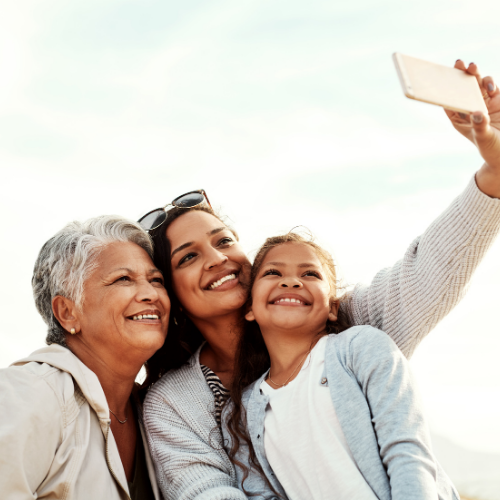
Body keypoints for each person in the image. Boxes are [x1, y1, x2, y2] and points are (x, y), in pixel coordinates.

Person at [142, 60, 500, 500]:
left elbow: (429, 271)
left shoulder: (340, 327)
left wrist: (494, 173)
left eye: (224, 240)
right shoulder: (173, 404)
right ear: (171, 294)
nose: (217, 259)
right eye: (189, 257)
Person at [222, 232, 459, 500]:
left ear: (333, 307)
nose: (291, 281)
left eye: (310, 274)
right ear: (249, 307)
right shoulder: (241, 411)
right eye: (273, 272)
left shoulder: (361, 347)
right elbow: (260, 493)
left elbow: (407, 450)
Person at [0, 216, 170, 500]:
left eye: (156, 280)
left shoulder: (155, 412)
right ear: (68, 312)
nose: (151, 293)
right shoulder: (27, 393)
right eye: (123, 279)